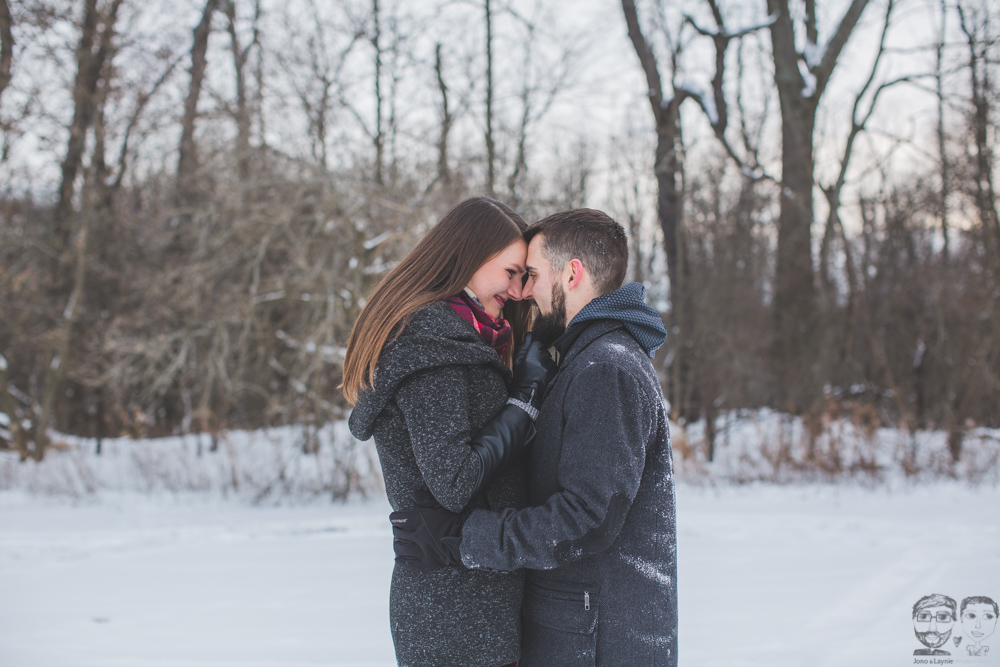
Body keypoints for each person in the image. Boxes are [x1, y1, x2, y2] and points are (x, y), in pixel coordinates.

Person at [391, 209, 678, 666]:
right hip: (578, 631)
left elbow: (589, 516)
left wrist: (465, 538)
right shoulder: (585, 360)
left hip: (595, 642)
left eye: (532, 275)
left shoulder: (606, 368)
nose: (523, 292)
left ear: (572, 273)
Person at [342, 197, 557, 667]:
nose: (519, 290)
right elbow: (453, 480)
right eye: (513, 271)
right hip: (454, 616)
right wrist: (525, 399)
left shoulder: (461, 341)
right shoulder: (431, 346)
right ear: (471, 254)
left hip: (473, 601)